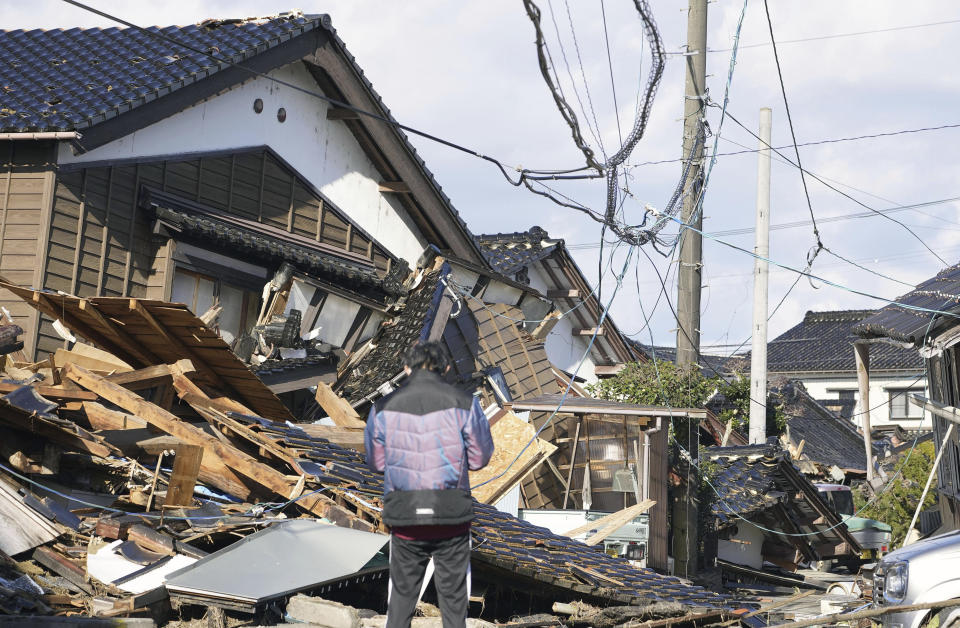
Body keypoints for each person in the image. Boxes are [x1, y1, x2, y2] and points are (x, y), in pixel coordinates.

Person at [365, 341, 494, 628]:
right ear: (446, 368)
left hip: (405, 513)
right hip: (451, 516)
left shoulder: (382, 407)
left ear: (406, 368)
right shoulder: (465, 403)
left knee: (401, 597)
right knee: (454, 601)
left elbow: (376, 461)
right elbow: (479, 458)